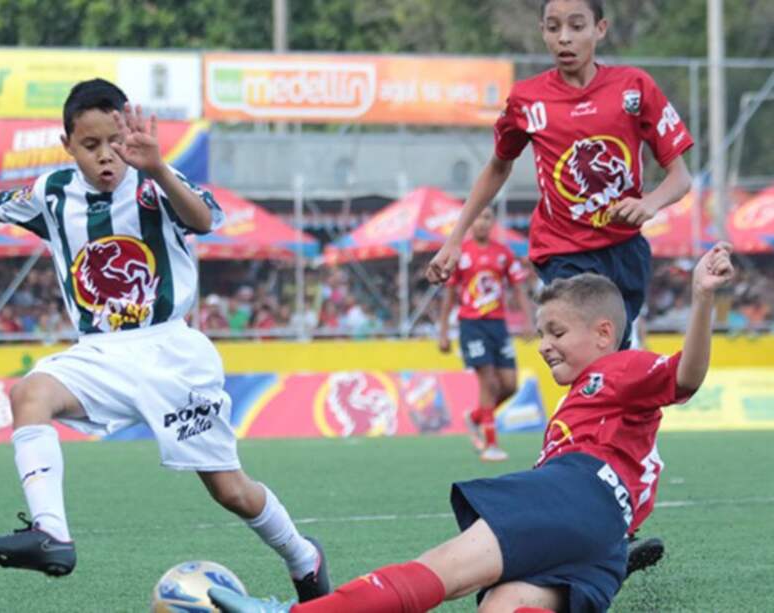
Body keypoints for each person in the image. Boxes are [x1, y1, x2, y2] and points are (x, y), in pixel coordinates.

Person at [0, 79, 331, 602]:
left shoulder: (154, 183)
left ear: (128, 134)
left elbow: (203, 220)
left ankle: (303, 558)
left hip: (172, 351)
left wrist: (155, 167)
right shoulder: (53, 194)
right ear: (67, 146)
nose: (106, 156)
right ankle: (52, 534)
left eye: (113, 141)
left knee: (230, 491)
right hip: (100, 352)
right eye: (90, 146)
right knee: (28, 394)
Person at [209, 243, 734, 613]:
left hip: (579, 495)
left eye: (556, 331)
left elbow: (686, 377)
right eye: (540, 333)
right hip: (603, 544)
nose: (544, 343)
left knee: (446, 570)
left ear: (604, 334)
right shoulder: (597, 403)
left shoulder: (617, 367)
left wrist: (703, 298)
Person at [426, 0, 693, 577]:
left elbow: (681, 177)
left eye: (577, 26)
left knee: (627, 385)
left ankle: (614, 515)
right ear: (543, 33)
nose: (564, 38)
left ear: (600, 29)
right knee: (585, 379)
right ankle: (556, 505)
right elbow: (497, 166)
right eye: (553, 27)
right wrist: (453, 239)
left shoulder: (634, 89)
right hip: (564, 256)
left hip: (626, 260)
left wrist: (647, 204)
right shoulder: (528, 100)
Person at [438, 208, 534, 462]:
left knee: (510, 385)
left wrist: (528, 320)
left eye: (487, 218)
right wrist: (443, 332)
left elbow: (519, 288)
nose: (482, 222)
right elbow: (449, 295)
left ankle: (476, 416)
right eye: (477, 217)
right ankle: (490, 445)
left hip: (498, 326)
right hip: (471, 325)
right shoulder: (461, 254)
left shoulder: (503, 254)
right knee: (488, 382)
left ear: (492, 223)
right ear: (470, 223)